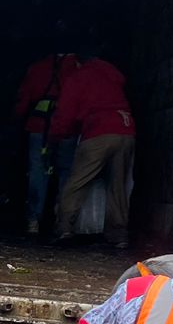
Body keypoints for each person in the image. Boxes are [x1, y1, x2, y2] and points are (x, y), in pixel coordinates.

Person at [51, 52, 135, 248]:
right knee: (118, 186)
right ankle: (119, 234)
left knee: (77, 182)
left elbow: (65, 112)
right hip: (126, 129)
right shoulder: (111, 75)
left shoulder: (79, 77)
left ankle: (64, 228)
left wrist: (58, 136)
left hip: (99, 130)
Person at [13, 49, 75, 235]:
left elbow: (23, 100)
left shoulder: (37, 68)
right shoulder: (76, 67)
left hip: (39, 127)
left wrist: (15, 123)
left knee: (38, 173)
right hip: (68, 127)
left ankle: (34, 220)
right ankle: (62, 221)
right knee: (67, 174)